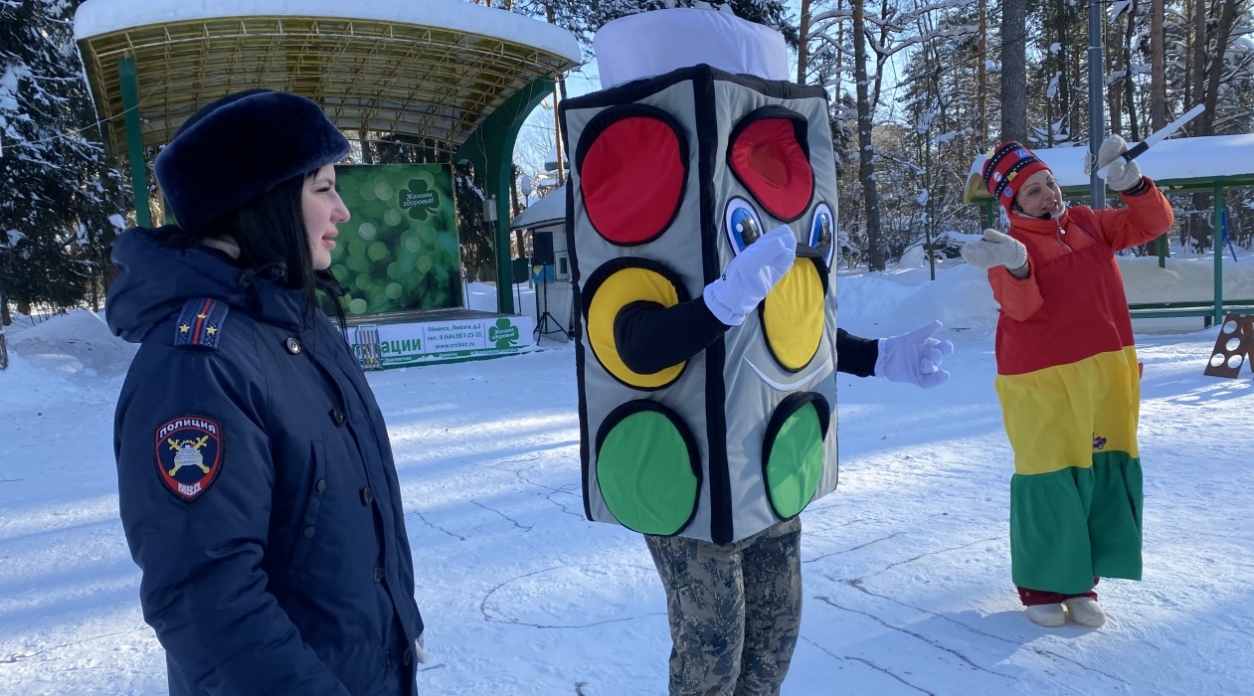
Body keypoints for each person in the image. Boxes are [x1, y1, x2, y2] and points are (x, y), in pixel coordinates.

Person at [107, 89, 424, 695]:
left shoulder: (298, 327)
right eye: (323, 187)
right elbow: (207, 601)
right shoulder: (199, 364)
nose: (343, 212)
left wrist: (393, 633)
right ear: (263, 198)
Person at [961, 138, 1174, 628]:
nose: (1049, 195)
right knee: (1049, 474)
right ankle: (1040, 583)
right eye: (1033, 191)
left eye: (1050, 184)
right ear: (1012, 203)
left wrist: (1132, 185)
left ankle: (1081, 581)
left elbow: (1153, 223)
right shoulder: (1006, 246)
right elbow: (1020, 309)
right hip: (1040, 381)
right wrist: (1015, 265)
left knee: (1097, 467)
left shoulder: (1086, 223)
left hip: (1103, 372)